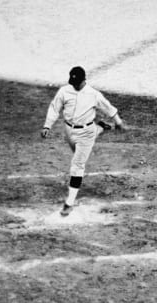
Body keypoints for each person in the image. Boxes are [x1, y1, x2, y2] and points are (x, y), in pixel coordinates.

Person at [41, 66, 128, 216]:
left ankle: (69, 203)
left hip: (86, 132)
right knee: (77, 155)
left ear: (83, 80)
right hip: (69, 130)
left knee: (77, 165)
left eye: (77, 82)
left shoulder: (93, 94)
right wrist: (47, 126)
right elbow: (55, 108)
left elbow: (109, 108)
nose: (74, 85)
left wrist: (119, 123)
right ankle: (100, 127)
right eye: (72, 82)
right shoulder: (64, 91)